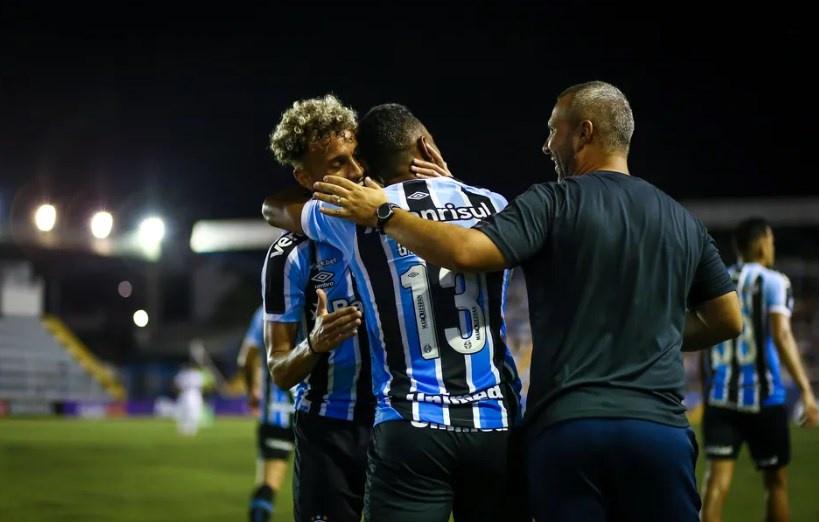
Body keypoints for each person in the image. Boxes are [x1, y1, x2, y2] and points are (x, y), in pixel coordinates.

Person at [312, 81, 743, 521]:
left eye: (553, 130)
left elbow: (464, 252)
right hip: (656, 427)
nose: (546, 144)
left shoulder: (551, 203)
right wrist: (658, 331)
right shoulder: (681, 219)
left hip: (563, 425)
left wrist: (384, 211)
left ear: (584, 133)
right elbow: (728, 319)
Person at [273, 103, 522, 522]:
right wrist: (454, 186)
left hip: (411, 421)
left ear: (370, 163)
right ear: (427, 146)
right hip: (495, 421)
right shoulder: (493, 204)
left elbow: (276, 211)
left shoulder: (351, 214)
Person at [263, 94, 373, 522]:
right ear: (305, 177)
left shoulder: (391, 225)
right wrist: (315, 343)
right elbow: (279, 369)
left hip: (396, 423)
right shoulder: (289, 256)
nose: (357, 172)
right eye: (336, 164)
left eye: (356, 157)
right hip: (326, 432)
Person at [701, 217, 818, 522]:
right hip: (765, 398)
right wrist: (806, 392)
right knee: (776, 483)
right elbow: (781, 334)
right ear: (764, 242)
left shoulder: (718, 279)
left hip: (721, 397)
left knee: (715, 482)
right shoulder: (774, 281)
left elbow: (704, 337)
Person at [237, 305, 295, 522]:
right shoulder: (317, 302)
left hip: (275, 413)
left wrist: (252, 390)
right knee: (325, 490)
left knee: (267, 487)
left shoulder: (264, 312)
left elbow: (245, 359)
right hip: (313, 413)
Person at [174, 361, 205, 436]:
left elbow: (176, 385)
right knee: (193, 412)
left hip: (185, 393)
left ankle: (183, 430)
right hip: (194, 393)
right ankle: (191, 430)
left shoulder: (182, 374)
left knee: (184, 412)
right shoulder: (198, 374)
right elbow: (201, 387)